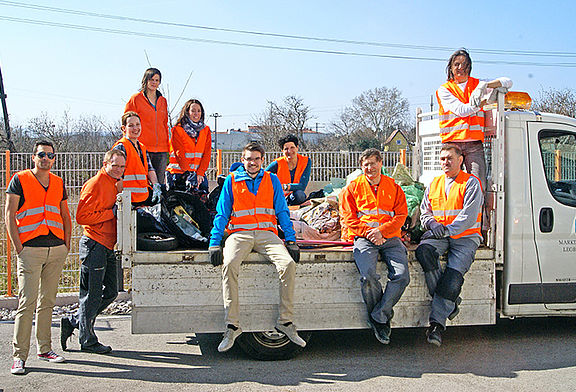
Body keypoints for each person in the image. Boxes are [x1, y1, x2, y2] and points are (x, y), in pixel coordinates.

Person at [209, 142, 305, 353]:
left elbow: (282, 211)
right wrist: (215, 242)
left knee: (288, 264)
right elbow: (222, 213)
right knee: (230, 264)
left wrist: (290, 240)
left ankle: (286, 322)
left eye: (256, 159)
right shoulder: (232, 180)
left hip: (267, 235)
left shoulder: (272, 180)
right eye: (248, 159)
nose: (252, 163)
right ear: (242, 161)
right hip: (239, 235)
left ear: (263, 160)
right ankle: (232, 326)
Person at [6, 141, 72, 375]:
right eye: (41, 154)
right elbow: (9, 214)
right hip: (30, 250)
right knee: (27, 302)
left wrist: (66, 244)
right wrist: (19, 248)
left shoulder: (58, 182)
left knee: (48, 302)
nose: (45, 158)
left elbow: (65, 214)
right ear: (34, 157)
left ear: (54, 159)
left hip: (55, 249)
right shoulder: (20, 179)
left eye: (50, 155)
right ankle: (19, 356)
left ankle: (45, 349)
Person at [415, 144, 483, 347]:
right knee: (424, 251)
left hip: (465, 237)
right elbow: (425, 211)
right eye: (442, 158)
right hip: (440, 234)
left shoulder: (471, 183)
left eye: (449, 158)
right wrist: (432, 224)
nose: (445, 162)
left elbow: (468, 217)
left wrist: (447, 229)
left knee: (452, 279)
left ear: (460, 160)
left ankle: (436, 325)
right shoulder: (434, 184)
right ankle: (449, 302)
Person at [340, 148, 409, 345]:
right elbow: (348, 219)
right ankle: (380, 320)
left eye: (372, 163)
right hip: (364, 238)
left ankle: (379, 316)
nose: (369, 168)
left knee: (402, 275)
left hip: (390, 238)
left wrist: (383, 231)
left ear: (380, 163)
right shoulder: (352, 188)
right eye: (365, 165)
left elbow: (401, 216)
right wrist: (370, 233)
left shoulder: (393, 186)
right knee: (367, 276)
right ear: (361, 167)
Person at [60, 150, 126, 354]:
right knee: (91, 295)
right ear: (105, 163)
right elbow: (82, 216)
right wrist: (110, 213)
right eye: (115, 165)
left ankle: (73, 321)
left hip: (107, 245)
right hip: (94, 244)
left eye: (122, 166)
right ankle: (87, 340)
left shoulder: (115, 183)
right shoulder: (96, 183)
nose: (119, 170)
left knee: (112, 292)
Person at [436, 48, 513, 190]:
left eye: (464, 64)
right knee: (453, 185)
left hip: (474, 144)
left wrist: (486, 85)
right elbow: (461, 111)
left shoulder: (478, 84)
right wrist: (480, 104)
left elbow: (508, 82)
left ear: (469, 67)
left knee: (479, 185)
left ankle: (478, 212)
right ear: (451, 68)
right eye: (457, 64)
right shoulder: (444, 89)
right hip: (452, 144)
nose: (460, 68)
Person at [124, 67, 169, 184]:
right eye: (151, 79)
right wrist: (130, 144)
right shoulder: (135, 99)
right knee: (143, 182)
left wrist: (167, 147)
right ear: (146, 80)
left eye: (157, 80)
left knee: (158, 185)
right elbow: (127, 122)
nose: (154, 83)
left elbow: (165, 124)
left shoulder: (162, 101)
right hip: (143, 148)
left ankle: (158, 203)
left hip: (161, 150)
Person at [113, 111, 162, 206]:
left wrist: (156, 185)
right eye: (131, 125)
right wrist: (123, 199)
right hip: (129, 199)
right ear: (124, 128)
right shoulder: (121, 147)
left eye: (137, 124)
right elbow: (117, 176)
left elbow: (150, 169)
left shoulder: (142, 147)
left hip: (143, 197)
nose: (135, 128)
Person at [166, 99, 212, 193]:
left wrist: (199, 173)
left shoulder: (206, 130)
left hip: (198, 174)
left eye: (199, 111)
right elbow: (179, 154)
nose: (196, 113)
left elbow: (207, 154)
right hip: (179, 174)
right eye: (193, 111)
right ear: (187, 112)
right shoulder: (178, 130)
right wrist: (189, 174)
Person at [266, 134, 311, 206]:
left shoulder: (306, 161)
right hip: (280, 196)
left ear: (297, 148)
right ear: (282, 151)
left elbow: (302, 186)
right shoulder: (277, 163)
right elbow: (263, 176)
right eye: (286, 149)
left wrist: (284, 187)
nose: (289, 151)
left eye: (292, 147)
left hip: (296, 197)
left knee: (300, 194)